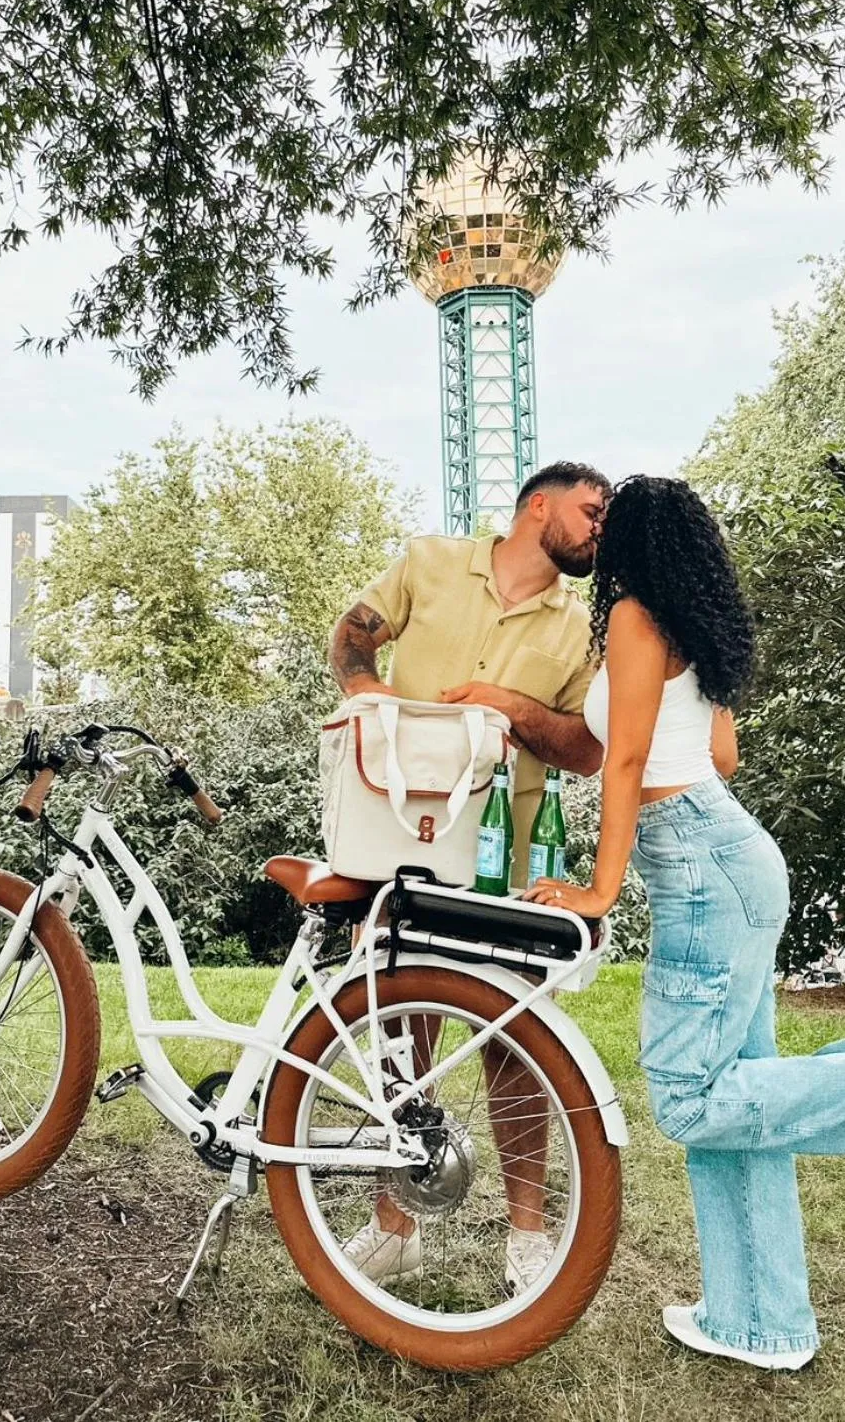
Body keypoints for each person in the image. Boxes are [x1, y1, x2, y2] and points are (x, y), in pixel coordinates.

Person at [526, 474, 845, 1371]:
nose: (597, 539)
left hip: (701, 865)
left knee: (689, 1098)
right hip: (726, 852)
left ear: (633, 544)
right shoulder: (693, 627)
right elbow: (724, 753)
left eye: (608, 525)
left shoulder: (633, 616)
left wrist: (600, 890)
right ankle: (762, 1323)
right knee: (742, 1100)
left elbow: (625, 759)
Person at [328, 459, 610, 1291]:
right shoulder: (431, 562)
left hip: (505, 863)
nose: (602, 530)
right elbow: (353, 631)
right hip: (398, 843)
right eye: (592, 512)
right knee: (400, 1031)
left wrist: (512, 707)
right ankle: (395, 1228)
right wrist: (369, 696)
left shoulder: (582, 628)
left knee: (517, 1045)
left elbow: (586, 752)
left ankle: (527, 1239)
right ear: (538, 507)